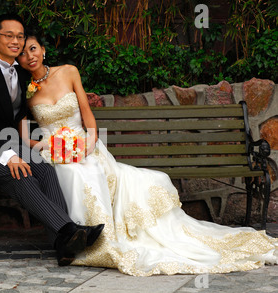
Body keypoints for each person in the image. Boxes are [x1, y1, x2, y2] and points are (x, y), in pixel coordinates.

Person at [17, 30, 278, 276]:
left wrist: (90, 141)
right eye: (22, 53)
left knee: (93, 170)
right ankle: (78, 239)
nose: (29, 56)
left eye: (33, 49)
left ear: (43, 49)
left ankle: (99, 234)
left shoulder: (68, 71)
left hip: (84, 144)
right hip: (54, 151)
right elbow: (22, 132)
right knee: (71, 175)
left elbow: (87, 114)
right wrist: (39, 144)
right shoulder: (24, 91)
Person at [0, 14, 104, 267]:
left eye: (20, 36)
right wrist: (9, 155)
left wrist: (22, 147)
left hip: (13, 144)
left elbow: (22, 116)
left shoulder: (24, 77)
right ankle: (68, 231)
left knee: (45, 171)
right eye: (9, 36)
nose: (16, 41)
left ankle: (62, 246)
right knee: (22, 174)